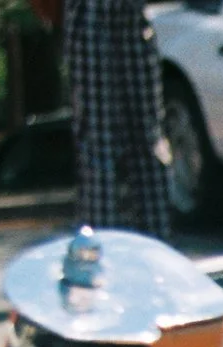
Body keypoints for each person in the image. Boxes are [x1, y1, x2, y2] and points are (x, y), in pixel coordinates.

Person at [59, 0, 171, 238]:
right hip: (89, 12)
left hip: (133, 12)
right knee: (98, 138)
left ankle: (157, 245)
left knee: (148, 135)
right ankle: (100, 244)